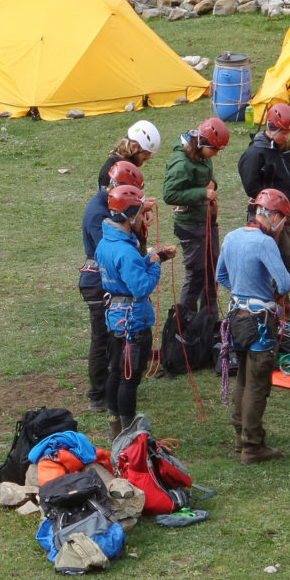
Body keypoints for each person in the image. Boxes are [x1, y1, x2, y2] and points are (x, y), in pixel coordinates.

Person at [216, 188, 290, 465]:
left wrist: (240, 291)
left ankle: (241, 436)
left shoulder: (231, 237)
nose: (282, 225)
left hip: (237, 318)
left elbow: (220, 274)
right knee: (257, 384)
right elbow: (285, 284)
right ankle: (252, 445)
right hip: (260, 320)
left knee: (243, 379)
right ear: (272, 215)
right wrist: (267, 296)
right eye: (282, 219)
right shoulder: (264, 243)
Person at [95, 185, 177, 440]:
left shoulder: (106, 242)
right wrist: (153, 264)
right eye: (141, 213)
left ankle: (115, 424)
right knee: (129, 377)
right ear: (130, 216)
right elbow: (141, 287)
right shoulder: (126, 250)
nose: (143, 217)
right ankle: (128, 432)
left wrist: (155, 258)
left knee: (116, 372)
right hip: (133, 321)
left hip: (116, 317)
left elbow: (125, 274)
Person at [80, 161, 148, 414]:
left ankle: (111, 389)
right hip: (97, 283)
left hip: (102, 280)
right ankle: (98, 394)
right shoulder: (99, 213)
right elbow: (112, 253)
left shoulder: (104, 206)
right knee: (102, 340)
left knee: (109, 340)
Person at [163, 117, 229, 315]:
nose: (216, 155)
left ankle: (209, 321)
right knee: (196, 276)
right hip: (191, 225)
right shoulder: (181, 164)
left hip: (208, 221)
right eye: (214, 149)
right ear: (201, 142)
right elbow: (169, 194)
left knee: (212, 272)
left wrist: (212, 184)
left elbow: (207, 176)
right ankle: (186, 323)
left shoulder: (202, 154)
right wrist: (202, 193)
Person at [237, 103, 290, 277]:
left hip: (287, 212)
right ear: (271, 127)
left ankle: (283, 299)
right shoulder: (255, 154)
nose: (286, 137)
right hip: (266, 214)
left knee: (287, 256)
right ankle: (266, 300)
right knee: (266, 257)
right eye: (283, 132)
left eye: (289, 133)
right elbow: (252, 188)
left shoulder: (286, 148)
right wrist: (289, 195)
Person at [97, 120, 161, 190]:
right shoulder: (110, 175)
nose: (149, 157)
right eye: (146, 153)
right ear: (133, 147)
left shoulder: (125, 167)